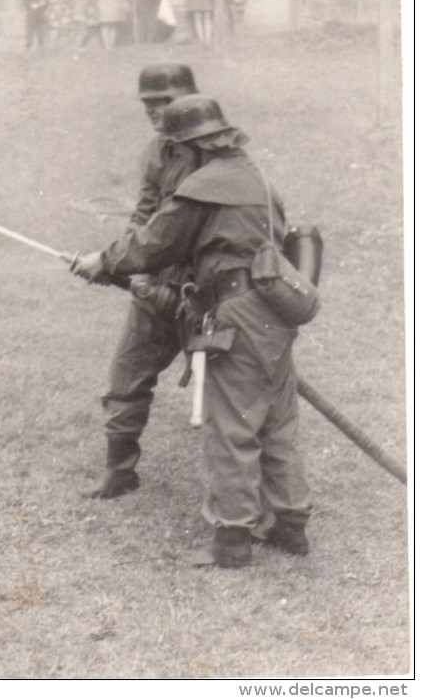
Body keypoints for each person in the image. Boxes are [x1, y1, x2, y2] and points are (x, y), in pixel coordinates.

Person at [67, 95, 313, 568]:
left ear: (192, 146)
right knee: (276, 420)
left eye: (177, 147)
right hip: (274, 311)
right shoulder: (255, 177)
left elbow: (156, 242)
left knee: (231, 427)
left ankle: (232, 541)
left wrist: (104, 261)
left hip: (235, 314)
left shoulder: (205, 185)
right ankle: (290, 525)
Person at [83, 64, 201, 500]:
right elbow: (145, 216)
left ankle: (265, 501)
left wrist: (115, 262)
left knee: (238, 398)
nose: (155, 112)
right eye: (148, 104)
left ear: (189, 99)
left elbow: (178, 230)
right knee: (125, 376)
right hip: (158, 282)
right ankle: (120, 471)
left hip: (208, 290)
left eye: (164, 102)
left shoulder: (212, 154)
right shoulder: (155, 153)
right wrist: (121, 265)